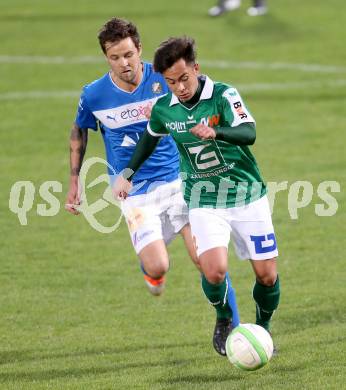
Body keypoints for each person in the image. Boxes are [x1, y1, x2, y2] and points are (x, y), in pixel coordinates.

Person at [64, 16, 240, 331]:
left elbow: (201, 98)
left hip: (180, 180)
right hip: (134, 192)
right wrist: (74, 180)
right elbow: (80, 129)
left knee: (207, 260)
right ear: (106, 57)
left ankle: (229, 324)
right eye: (115, 57)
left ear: (140, 50)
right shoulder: (94, 95)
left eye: (129, 55)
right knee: (158, 265)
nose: (124, 63)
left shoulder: (164, 80)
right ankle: (152, 272)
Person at [114, 36, 280, 356]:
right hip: (203, 198)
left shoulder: (223, 95)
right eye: (171, 82)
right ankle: (223, 318)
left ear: (196, 68)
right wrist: (127, 175)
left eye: (184, 78)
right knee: (213, 270)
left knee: (267, 275)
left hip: (247, 194)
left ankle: (263, 328)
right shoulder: (165, 109)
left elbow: (250, 133)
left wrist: (217, 131)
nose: (180, 87)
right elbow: (150, 139)